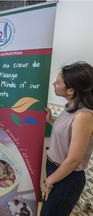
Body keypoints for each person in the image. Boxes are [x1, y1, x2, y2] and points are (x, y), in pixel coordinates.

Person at [40, 61, 93, 216]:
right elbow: (69, 134)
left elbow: (74, 160)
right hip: (55, 170)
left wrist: (49, 181)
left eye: (58, 82)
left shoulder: (83, 116)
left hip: (66, 176)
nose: (54, 84)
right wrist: (51, 121)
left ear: (71, 90)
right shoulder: (71, 107)